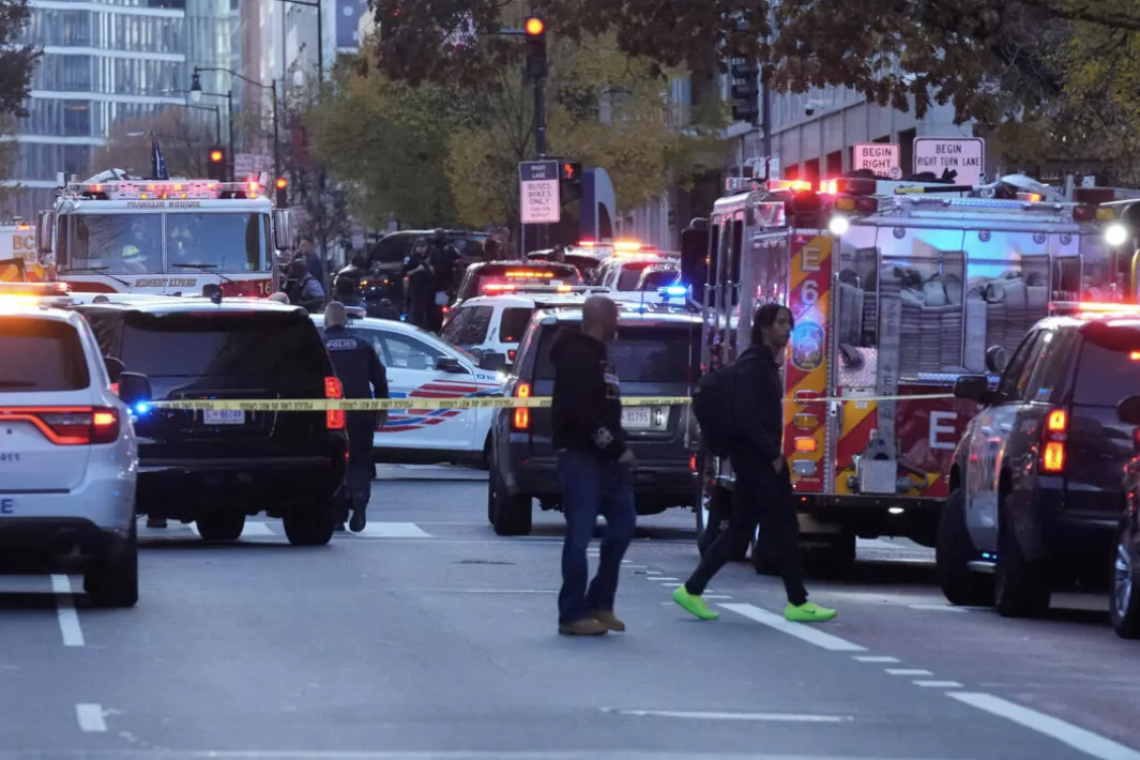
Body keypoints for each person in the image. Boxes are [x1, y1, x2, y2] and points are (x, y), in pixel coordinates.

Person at [673, 304, 838, 624]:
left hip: (752, 460)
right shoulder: (754, 368)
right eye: (781, 323)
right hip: (757, 462)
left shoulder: (763, 365)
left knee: (739, 531)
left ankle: (692, 589)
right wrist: (772, 455)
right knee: (785, 527)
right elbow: (746, 418)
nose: (787, 329)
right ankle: (798, 601)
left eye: (789, 323)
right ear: (764, 327)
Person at [550, 295, 637, 636]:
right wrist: (613, 446)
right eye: (615, 318)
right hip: (581, 457)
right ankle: (572, 613)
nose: (618, 325)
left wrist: (619, 446)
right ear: (604, 320)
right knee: (580, 535)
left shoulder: (600, 355)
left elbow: (606, 406)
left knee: (623, 524)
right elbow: (582, 411)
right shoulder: (577, 355)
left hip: (609, 459)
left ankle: (601, 601)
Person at [321, 301, 389, 533]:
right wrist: (382, 406)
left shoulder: (320, 345)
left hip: (330, 413)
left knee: (334, 460)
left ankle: (337, 515)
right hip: (362, 412)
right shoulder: (362, 344)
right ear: (345, 319)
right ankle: (359, 496)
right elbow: (379, 377)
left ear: (326, 320)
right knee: (360, 459)